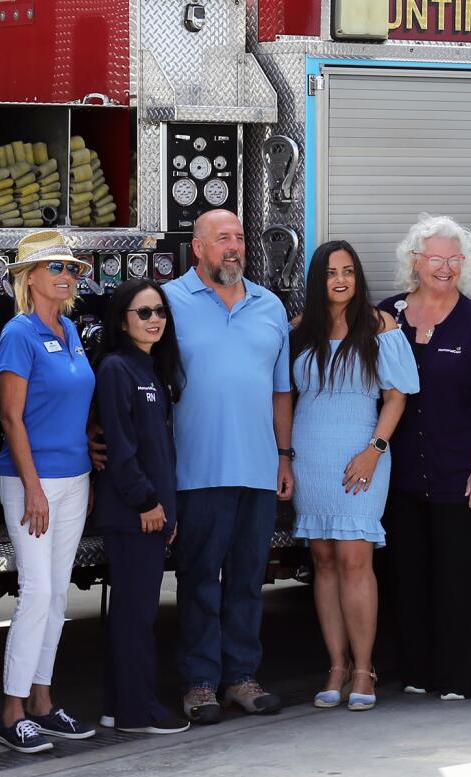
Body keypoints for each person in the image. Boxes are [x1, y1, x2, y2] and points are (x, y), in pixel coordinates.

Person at [164, 209, 293, 722]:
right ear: (198, 248)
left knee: (247, 581)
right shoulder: (170, 303)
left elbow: (282, 391)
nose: (233, 247)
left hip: (259, 470)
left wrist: (284, 458)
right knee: (199, 581)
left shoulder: (269, 306)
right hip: (197, 472)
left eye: (239, 237)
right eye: (222, 239)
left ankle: (241, 677)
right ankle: (199, 684)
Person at [378, 215, 471, 701]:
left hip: (461, 474)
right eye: (436, 258)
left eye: (455, 259)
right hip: (402, 474)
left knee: (461, 580)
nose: (446, 267)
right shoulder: (387, 314)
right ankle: (416, 671)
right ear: (415, 260)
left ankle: (458, 676)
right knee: (408, 577)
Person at [290, 241, 419, 711]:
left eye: (348, 270)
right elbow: (286, 395)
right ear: (317, 280)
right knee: (323, 559)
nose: (340, 280)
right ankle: (336, 666)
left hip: (362, 453)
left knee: (354, 560)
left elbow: (398, 396)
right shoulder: (300, 330)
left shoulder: (380, 325)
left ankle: (364, 669)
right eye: (330, 272)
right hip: (311, 455)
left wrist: (374, 450)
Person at [0, 230, 97, 753]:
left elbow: (74, 411)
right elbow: (11, 418)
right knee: (36, 591)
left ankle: (41, 701)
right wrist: (33, 487)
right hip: (29, 481)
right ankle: (11, 712)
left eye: (71, 268)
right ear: (28, 277)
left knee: (58, 595)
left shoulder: (71, 329)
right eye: (54, 267)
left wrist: (86, 470)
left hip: (74, 480)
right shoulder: (20, 332)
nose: (65, 275)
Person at [93, 279, 189, 735]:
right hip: (133, 515)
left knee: (133, 614)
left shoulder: (152, 370)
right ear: (122, 319)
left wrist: (166, 510)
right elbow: (121, 446)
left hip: (152, 516)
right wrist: (147, 502)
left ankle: (118, 706)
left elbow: (160, 450)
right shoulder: (116, 368)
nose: (155, 320)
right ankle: (137, 712)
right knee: (136, 618)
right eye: (143, 312)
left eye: (159, 312)